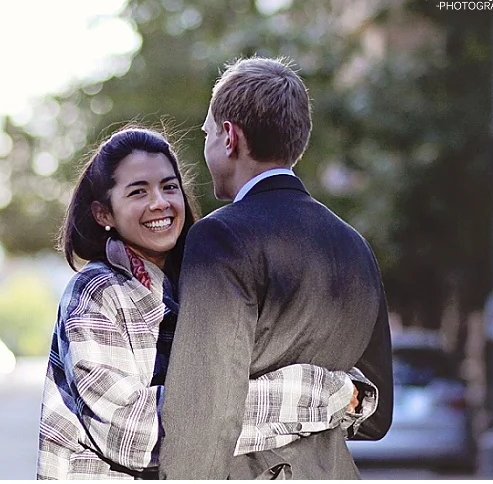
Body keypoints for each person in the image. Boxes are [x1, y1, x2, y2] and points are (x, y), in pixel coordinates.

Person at [37, 127, 378, 480]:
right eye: (138, 191)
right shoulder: (97, 293)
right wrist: (324, 393)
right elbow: (136, 434)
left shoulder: (202, 279)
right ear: (103, 213)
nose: (160, 202)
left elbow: (213, 408)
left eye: (169, 187)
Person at [157, 57, 393, 479]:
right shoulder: (355, 246)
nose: (207, 145)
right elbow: (376, 414)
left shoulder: (220, 237)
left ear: (229, 137)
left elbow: (204, 410)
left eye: (208, 133)